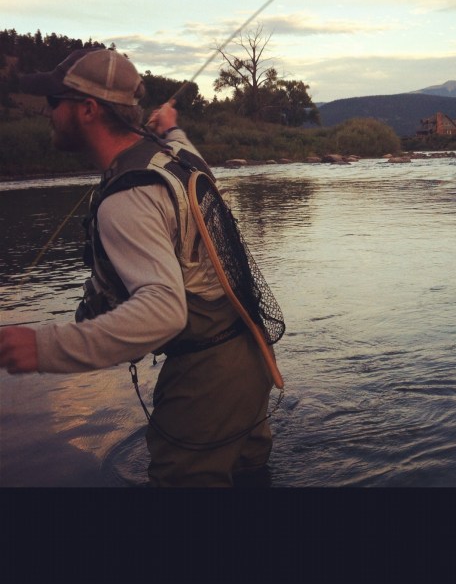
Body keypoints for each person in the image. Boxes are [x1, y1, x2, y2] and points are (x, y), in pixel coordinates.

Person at [0, 46, 275, 487]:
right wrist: (171, 124)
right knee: (250, 480)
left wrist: (42, 347)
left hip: (206, 379)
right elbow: (180, 141)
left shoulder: (128, 198)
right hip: (252, 353)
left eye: (55, 101)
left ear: (88, 109)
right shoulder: (181, 157)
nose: (48, 112)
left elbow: (164, 312)